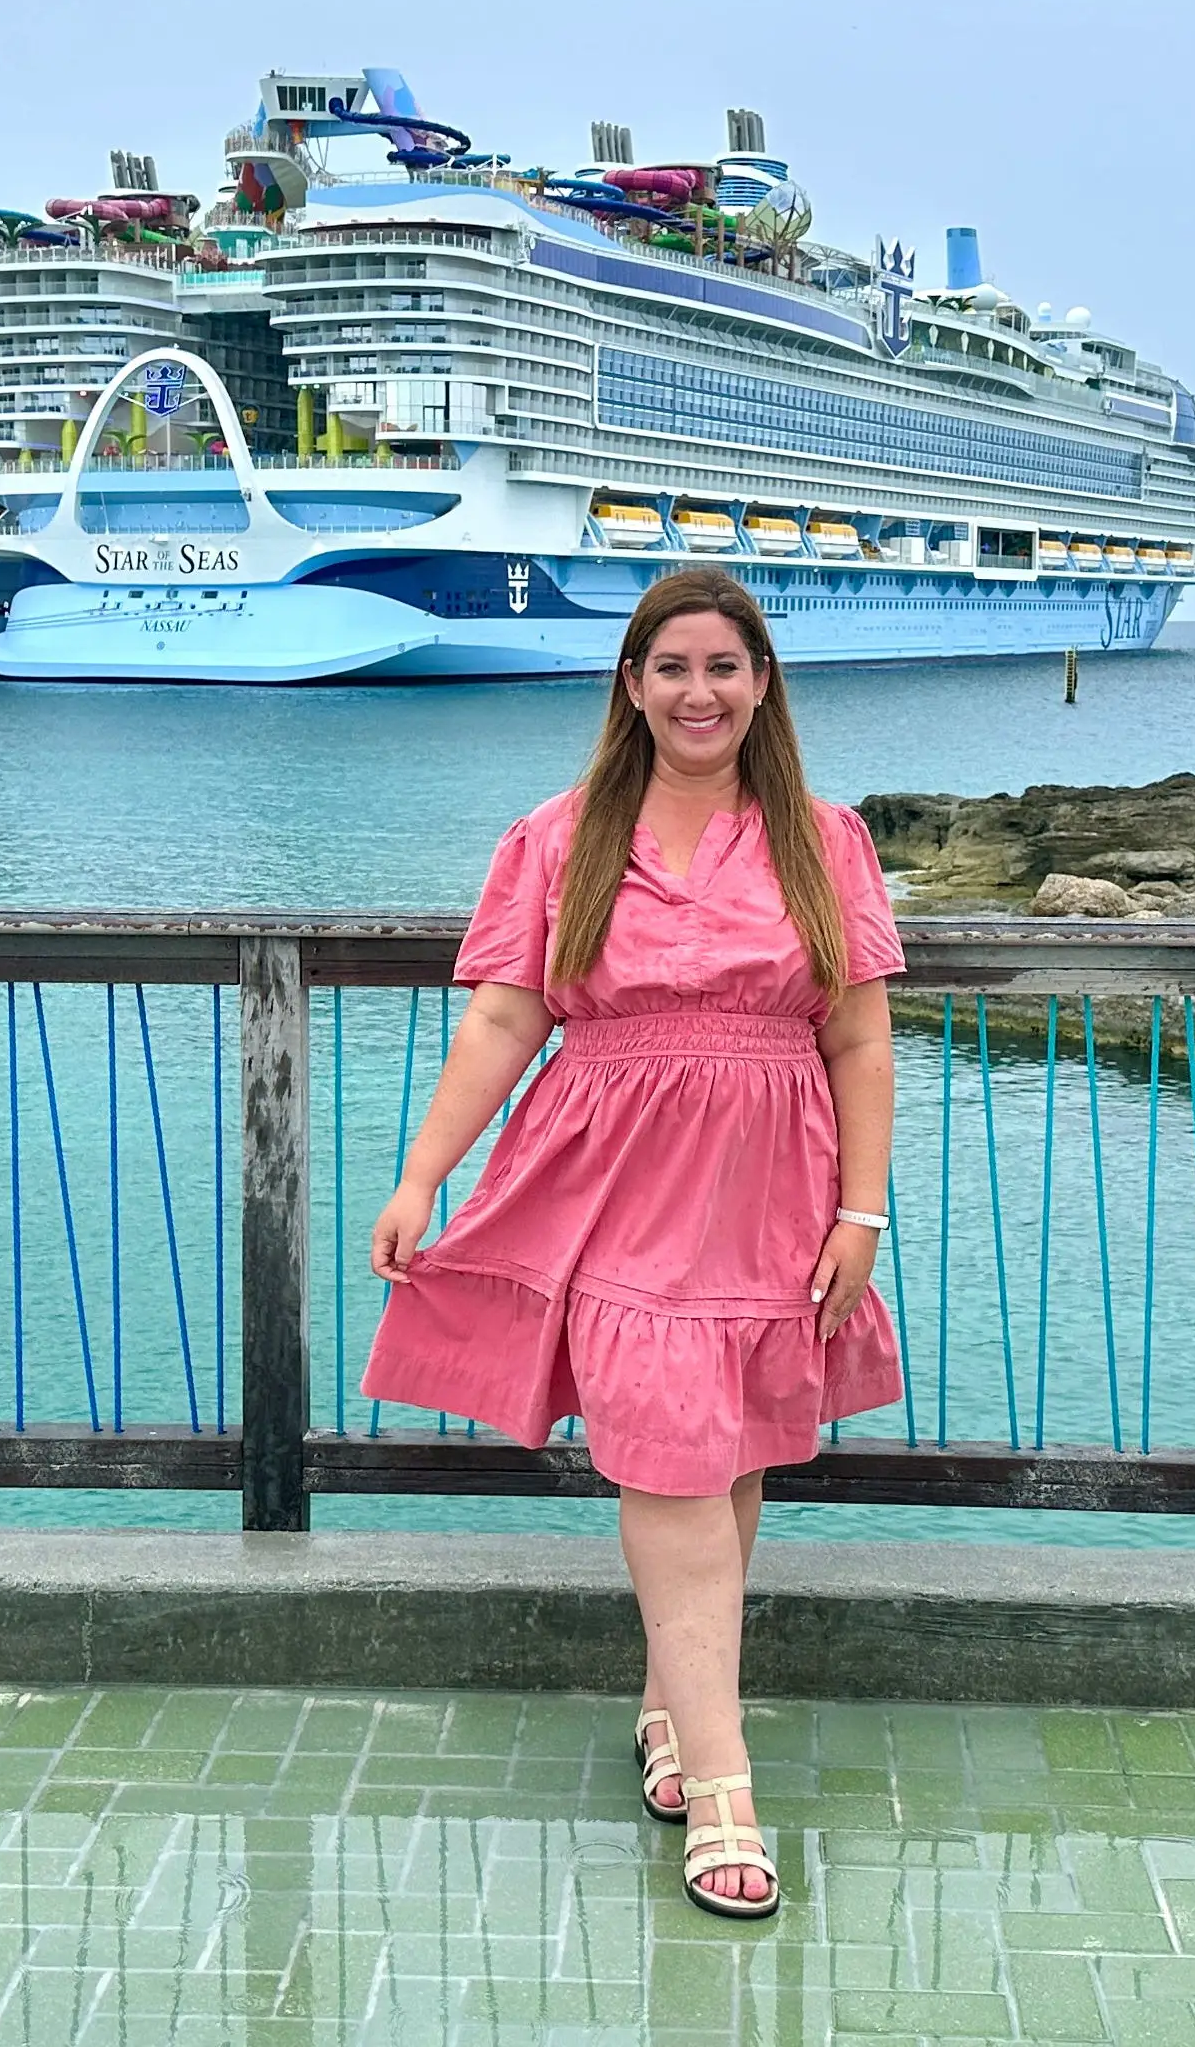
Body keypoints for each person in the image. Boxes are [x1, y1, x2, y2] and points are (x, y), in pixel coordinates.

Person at [361, 566, 902, 1924]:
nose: (696, 692)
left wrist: (861, 1210)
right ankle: (721, 1778)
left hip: (776, 1179)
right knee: (667, 1445)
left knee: (722, 1449)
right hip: (608, 1177)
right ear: (629, 683)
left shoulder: (821, 839)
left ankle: (671, 1708)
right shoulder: (559, 834)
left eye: (722, 666)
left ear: (761, 683)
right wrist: (423, 1175)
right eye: (670, 667)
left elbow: (857, 1034)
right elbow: (501, 1018)